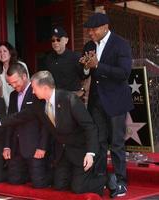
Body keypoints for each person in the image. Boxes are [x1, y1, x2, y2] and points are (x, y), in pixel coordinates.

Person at [0, 71, 107, 196]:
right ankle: (77, 177)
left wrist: (90, 153)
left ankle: (106, 180)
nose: (32, 91)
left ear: (44, 88)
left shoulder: (69, 99)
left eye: (34, 88)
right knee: (59, 185)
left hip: (81, 150)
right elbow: (17, 117)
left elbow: (90, 127)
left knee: (78, 188)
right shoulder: (39, 104)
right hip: (63, 152)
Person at [79, 13, 134, 198]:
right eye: (88, 30)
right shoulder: (88, 46)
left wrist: (98, 65)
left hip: (116, 102)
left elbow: (124, 73)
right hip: (96, 102)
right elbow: (84, 73)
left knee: (117, 144)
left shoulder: (121, 44)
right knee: (99, 143)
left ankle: (120, 182)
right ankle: (100, 179)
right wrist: (86, 67)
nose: (90, 33)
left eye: (93, 29)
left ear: (105, 27)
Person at [3, 63, 49, 188]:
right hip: (16, 147)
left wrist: (42, 147)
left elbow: (45, 123)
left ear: (24, 76)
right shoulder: (13, 95)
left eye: (15, 82)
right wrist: (7, 146)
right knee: (13, 182)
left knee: (39, 184)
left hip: (35, 148)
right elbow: (10, 122)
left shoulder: (37, 92)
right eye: (10, 84)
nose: (13, 86)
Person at [43, 26, 85, 98]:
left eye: (58, 39)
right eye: (53, 40)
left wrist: (82, 90)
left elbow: (85, 76)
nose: (55, 42)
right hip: (55, 97)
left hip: (72, 98)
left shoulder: (75, 57)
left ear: (66, 40)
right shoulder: (49, 58)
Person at [0, 42, 29, 108]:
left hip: (22, 104)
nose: (2, 54)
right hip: (7, 108)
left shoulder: (21, 65)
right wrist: (0, 87)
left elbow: (27, 86)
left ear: (10, 52)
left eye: (4, 51)